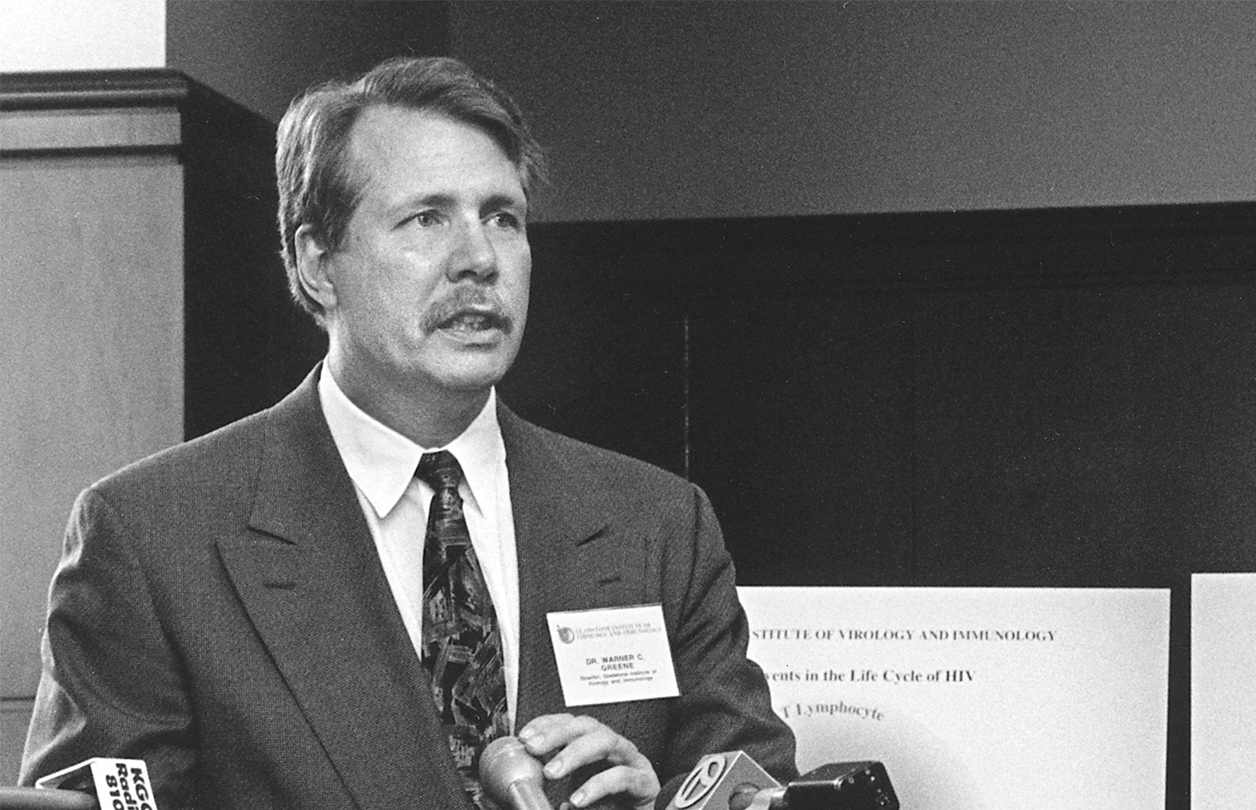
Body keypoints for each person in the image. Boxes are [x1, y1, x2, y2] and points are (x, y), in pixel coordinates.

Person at [20, 56, 796, 810]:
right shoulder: (152, 536)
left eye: (502, 218)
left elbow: (752, 783)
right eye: (427, 219)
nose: (480, 260)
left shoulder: (656, 525)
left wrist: (664, 805)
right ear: (319, 264)